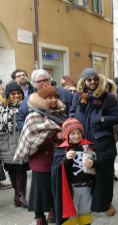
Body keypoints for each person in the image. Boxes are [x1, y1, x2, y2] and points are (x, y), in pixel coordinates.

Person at [69, 68, 118, 217]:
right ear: (84, 82)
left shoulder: (108, 97)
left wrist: (103, 119)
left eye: (95, 79)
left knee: (104, 175)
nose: (93, 82)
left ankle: (106, 203)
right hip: (83, 142)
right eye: (89, 79)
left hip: (103, 142)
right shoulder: (78, 97)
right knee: (87, 174)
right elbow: (72, 113)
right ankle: (89, 202)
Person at [15, 86, 67, 225]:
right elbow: (31, 138)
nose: (53, 100)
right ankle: (39, 216)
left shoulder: (60, 113)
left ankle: (52, 211)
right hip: (40, 158)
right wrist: (55, 135)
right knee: (39, 189)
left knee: (54, 187)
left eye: (55, 97)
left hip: (57, 157)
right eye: (49, 97)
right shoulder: (33, 115)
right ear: (42, 100)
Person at [52, 118, 95, 225]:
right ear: (66, 135)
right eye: (73, 133)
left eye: (79, 132)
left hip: (86, 187)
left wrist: (93, 163)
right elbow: (55, 171)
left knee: (85, 214)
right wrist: (65, 159)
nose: (76, 136)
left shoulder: (87, 147)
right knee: (70, 217)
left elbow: (98, 165)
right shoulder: (61, 150)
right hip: (71, 190)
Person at [0, 83, 27, 201]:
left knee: (21, 169)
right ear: (8, 95)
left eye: (18, 93)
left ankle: (21, 196)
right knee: (11, 169)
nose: (16, 95)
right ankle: (17, 195)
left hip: (21, 142)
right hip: (6, 143)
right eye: (13, 94)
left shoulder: (26, 107)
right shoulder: (2, 109)